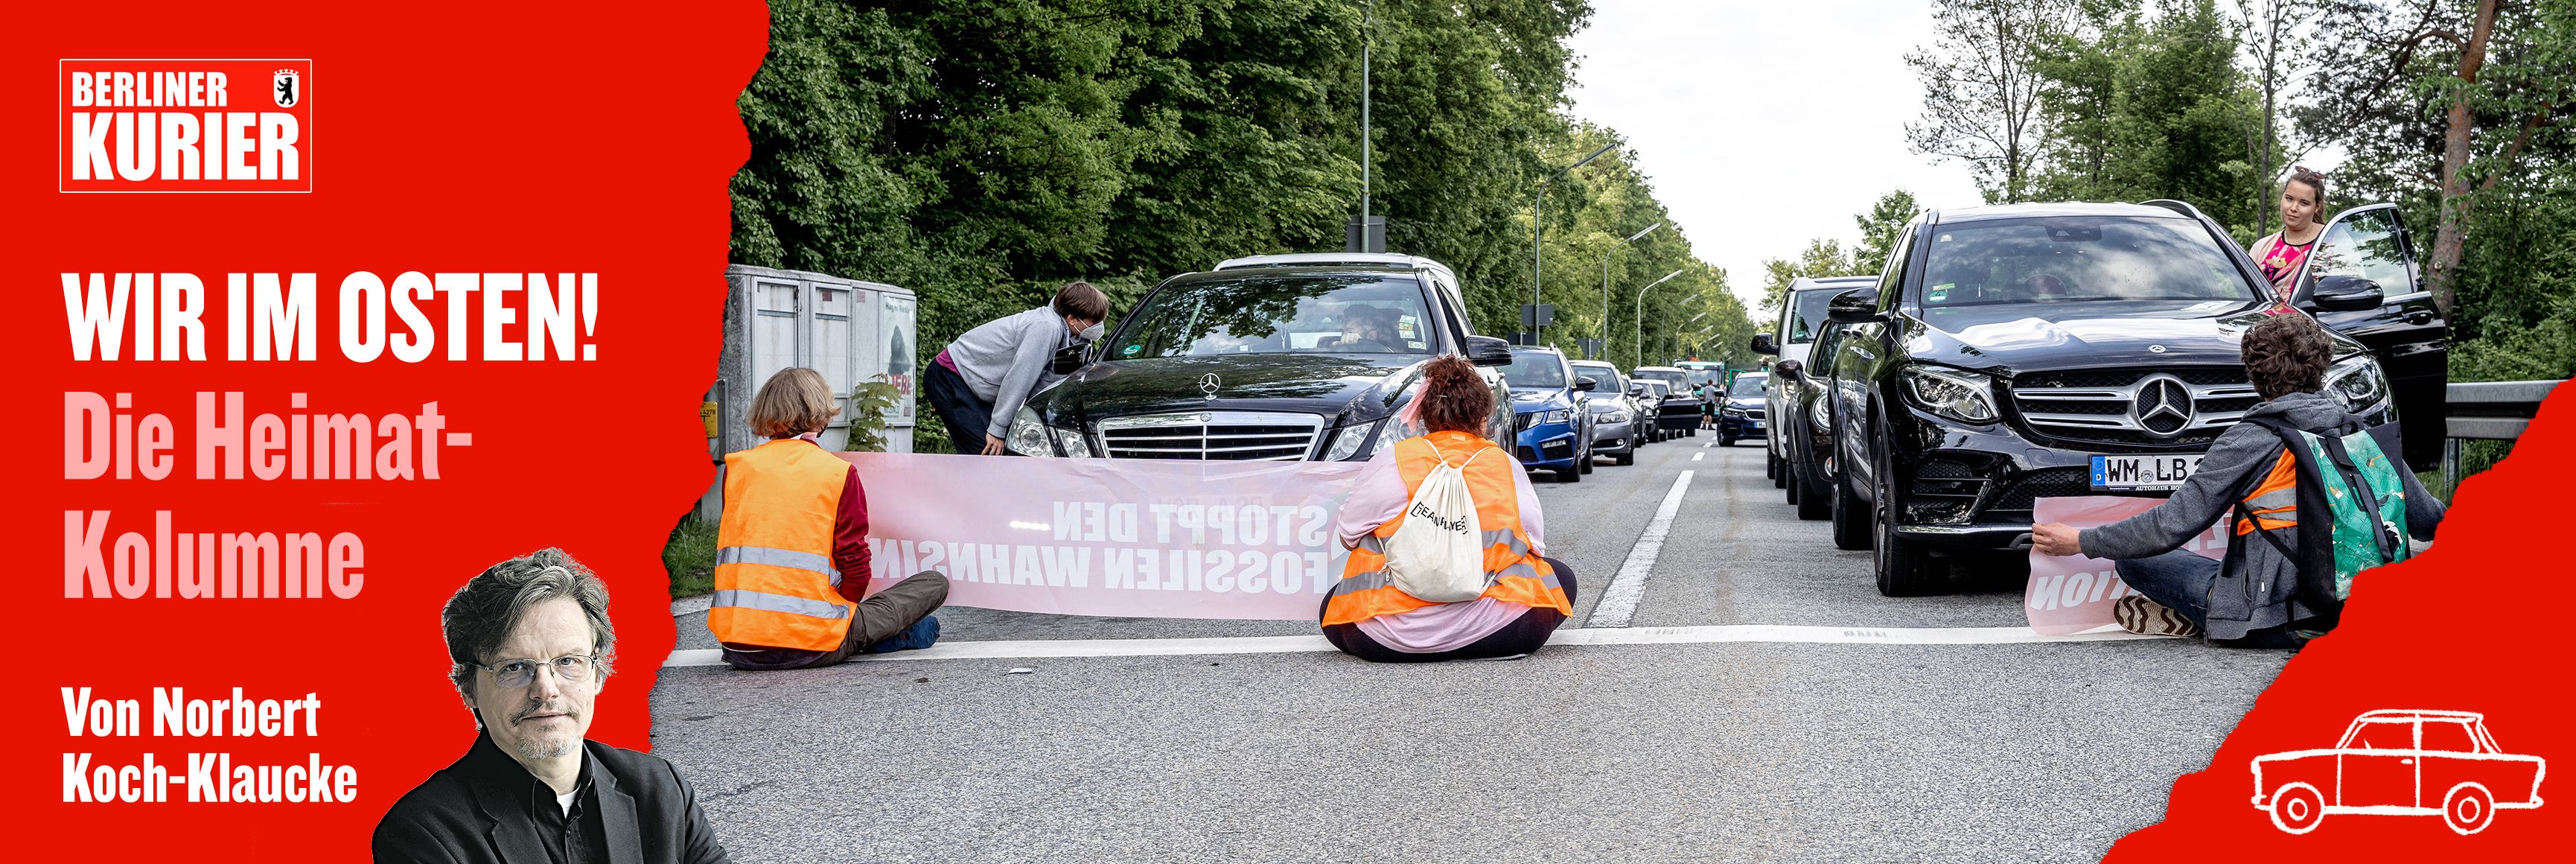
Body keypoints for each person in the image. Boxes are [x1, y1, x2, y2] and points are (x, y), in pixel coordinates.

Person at [2031, 314, 2443, 645]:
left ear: (2253, 375)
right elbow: (2431, 522)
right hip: (2369, 611)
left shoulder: (2252, 438)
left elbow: (2171, 525)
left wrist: (2082, 542)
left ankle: (2204, 615)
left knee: (2136, 559)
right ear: (2320, 368)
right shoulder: (2360, 435)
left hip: (2269, 616)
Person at [374, 549, 730, 864]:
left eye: (568, 661)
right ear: (469, 688)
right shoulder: (425, 835)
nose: (546, 690)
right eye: (514, 667)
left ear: (598, 675)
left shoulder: (662, 790)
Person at [1322, 355, 1575, 661]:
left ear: (1425, 417)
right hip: (1502, 631)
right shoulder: (1505, 466)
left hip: (1385, 638)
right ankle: (1481, 629)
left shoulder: (1392, 460)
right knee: (1560, 577)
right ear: (1483, 417)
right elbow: (1535, 544)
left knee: (1332, 602)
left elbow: (1348, 535)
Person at [711, 367, 948, 670]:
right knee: (933, 583)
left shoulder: (737, 468)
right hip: (812, 645)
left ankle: (870, 635)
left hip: (739, 646)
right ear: (821, 415)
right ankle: (876, 636)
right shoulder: (836, 472)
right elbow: (856, 566)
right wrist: (843, 617)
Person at [925, 281, 1110, 454]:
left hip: (975, 388)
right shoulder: (1046, 327)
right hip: (950, 376)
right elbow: (1020, 379)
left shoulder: (1071, 337)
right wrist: (997, 429)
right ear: (1072, 319)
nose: (1099, 327)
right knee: (986, 452)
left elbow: (1043, 384)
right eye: (1094, 322)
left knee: (1007, 449)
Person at [2250, 167, 2329, 290]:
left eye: (2304, 203)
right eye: (2289, 199)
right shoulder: (2262, 247)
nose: (2293, 208)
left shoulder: (2331, 241)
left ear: (2317, 207)